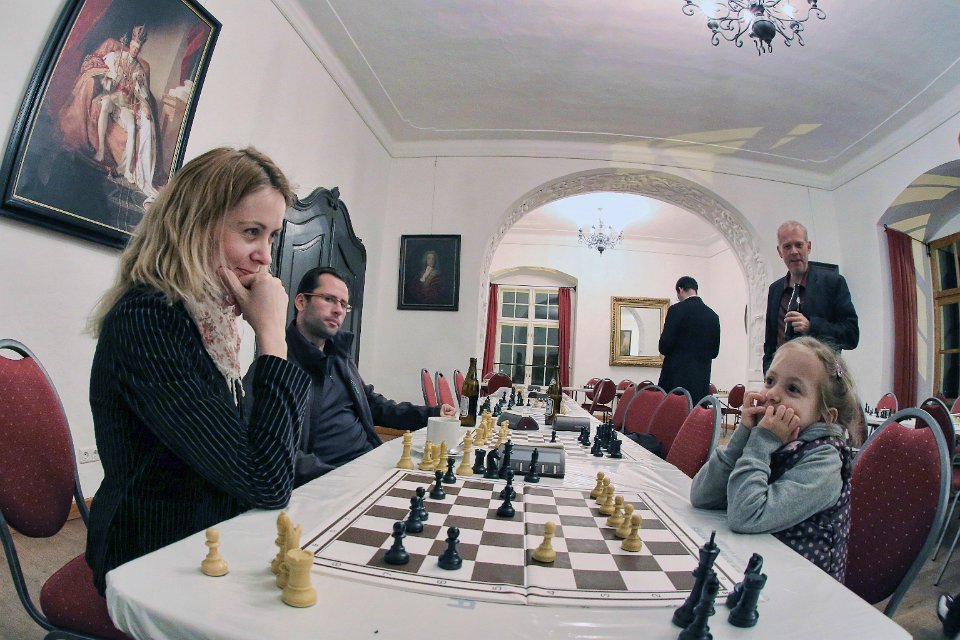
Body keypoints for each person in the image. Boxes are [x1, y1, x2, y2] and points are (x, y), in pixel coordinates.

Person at [85, 147, 310, 595]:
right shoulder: (151, 318)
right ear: (194, 224)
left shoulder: (209, 320)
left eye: (271, 237)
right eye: (251, 232)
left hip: (205, 528)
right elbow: (265, 481)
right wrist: (273, 338)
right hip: (150, 550)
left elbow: (249, 453)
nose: (265, 256)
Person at [246, 266, 458, 487]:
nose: (338, 310)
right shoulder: (276, 366)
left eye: (343, 304)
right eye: (329, 299)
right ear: (301, 302)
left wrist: (432, 414)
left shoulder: (339, 356)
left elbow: (373, 404)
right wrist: (344, 478)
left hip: (371, 464)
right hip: (331, 482)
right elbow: (277, 453)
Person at [690, 337, 863, 581]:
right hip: (756, 563)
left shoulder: (826, 460)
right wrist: (744, 435)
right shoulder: (779, 439)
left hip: (803, 586)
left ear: (826, 416)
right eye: (770, 381)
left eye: (793, 389)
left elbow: (745, 516)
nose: (772, 394)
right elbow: (702, 496)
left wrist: (761, 442)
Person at [59, 24, 160, 201]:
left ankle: (127, 169)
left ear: (140, 49)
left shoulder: (139, 70)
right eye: (133, 46)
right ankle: (101, 150)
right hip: (111, 97)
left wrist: (144, 104)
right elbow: (102, 73)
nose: (135, 51)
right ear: (130, 45)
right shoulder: (115, 56)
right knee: (105, 104)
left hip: (124, 105)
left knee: (132, 127)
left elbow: (142, 93)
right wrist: (108, 78)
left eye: (138, 48)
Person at [763, 221, 859, 372]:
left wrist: (811, 326)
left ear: (808, 247)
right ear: (779, 252)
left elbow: (851, 336)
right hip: (783, 377)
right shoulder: (775, 290)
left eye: (799, 245)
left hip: (819, 379)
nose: (794, 251)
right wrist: (768, 374)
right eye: (787, 246)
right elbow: (770, 343)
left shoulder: (833, 283)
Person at [657, 276, 721, 403]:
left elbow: (664, 346)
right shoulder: (713, 316)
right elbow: (714, 352)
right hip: (700, 382)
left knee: (672, 413)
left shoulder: (676, 310)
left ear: (680, 290)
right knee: (695, 413)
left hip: (675, 380)